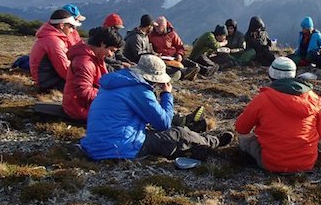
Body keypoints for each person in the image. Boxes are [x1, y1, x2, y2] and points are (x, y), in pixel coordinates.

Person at [80, 55, 234, 160]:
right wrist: (166, 94)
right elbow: (163, 123)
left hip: (96, 143)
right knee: (177, 134)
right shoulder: (138, 89)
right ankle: (212, 141)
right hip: (118, 147)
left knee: (163, 133)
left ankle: (194, 134)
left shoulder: (117, 82)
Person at [235, 57, 321, 173]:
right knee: (318, 139)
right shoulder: (312, 97)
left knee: (244, 139)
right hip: (307, 163)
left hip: (272, 163)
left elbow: (241, 128)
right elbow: (320, 132)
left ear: (271, 74)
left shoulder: (263, 99)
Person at [62, 27, 124, 120]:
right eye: (111, 50)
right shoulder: (85, 62)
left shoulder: (95, 56)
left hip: (87, 103)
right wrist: (109, 97)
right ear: (103, 44)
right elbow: (84, 92)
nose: (111, 55)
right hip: (79, 107)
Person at [29, 9, 80, 91]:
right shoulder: (54, 42)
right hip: (49, 82)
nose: (72, 30)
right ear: (62, 25)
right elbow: (65, 71)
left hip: (46, 79)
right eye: (70, 26)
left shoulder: (50, 37)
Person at [149, 16, 200, 80]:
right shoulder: (151, 35)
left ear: (164, 26)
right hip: (162, 58)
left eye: (159, 27)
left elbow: (180, 46)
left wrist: (179, 54)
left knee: (195, 66)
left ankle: (185, 73)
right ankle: (184, 73)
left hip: (174, 57)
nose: (157, 29)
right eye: (156, 27)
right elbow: (148, 48)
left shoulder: (172, 34)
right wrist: (154, 54)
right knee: (174, 70)